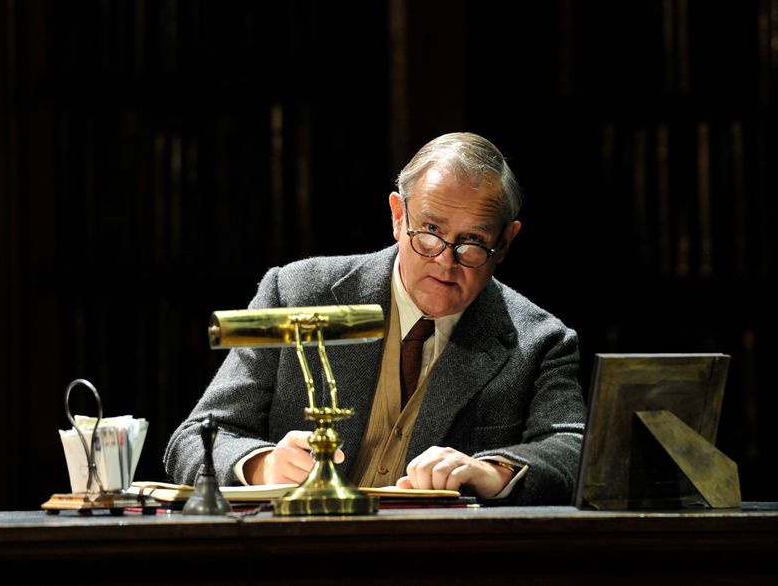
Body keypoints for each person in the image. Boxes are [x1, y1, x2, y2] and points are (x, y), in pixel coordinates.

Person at [164, 132, 586, 503]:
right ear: (398, 217)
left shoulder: (540, 340)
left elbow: (575, 449)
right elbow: (193, 440)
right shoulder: (297, 294)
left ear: (506, 241)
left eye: (472, 242)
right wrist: (263, 467)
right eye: (431, 232)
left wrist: (497, 472)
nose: (445, 261)